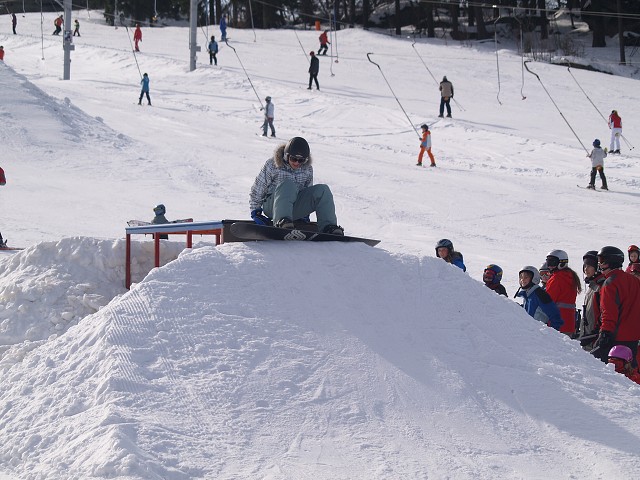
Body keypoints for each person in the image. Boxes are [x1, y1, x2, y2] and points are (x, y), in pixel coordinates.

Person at [249, 136, 343, 235]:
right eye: (294, 159)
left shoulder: (307, 169)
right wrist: (256, 211)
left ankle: (328, 227)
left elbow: (307, 192)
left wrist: (305, 214)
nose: (297, 163)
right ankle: (282, 221)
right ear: (286, 156)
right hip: (272, 205)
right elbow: (258, 189)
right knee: (288, 184)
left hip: (293, 206)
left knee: (323, 190)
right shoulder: (272, 165)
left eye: (301, 160)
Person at [591, 246, 640, 366]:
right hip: (634, 337)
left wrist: (605, 333)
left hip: (616, 337)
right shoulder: (634, 280)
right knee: (630, 371)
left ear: (611, 261)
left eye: (602, 260)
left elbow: (608, 311)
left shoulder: (610, 283)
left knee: (610, 372)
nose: (599, 264)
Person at [544, 249, 582, 336]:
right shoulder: (570, 276)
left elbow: (547, 301)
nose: (549, 266)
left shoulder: (557, 279)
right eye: (548, 262)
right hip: (569, 324)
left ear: (561, 262)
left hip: (556, 323)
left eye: (552, 262)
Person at [514, 266, 563, 331]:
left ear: (534, 278)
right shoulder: (528, 294)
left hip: (538, 334)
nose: (522, 280)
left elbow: (555, 315)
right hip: (529, 332)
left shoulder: (540, 294)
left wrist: (551, 334)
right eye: (521, 278)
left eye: (526, 277)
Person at [579, 251, 605, 351]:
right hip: (588, 339)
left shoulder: (601, 287)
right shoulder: (592, 287)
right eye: (584, 266)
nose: (586, 269)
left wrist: (595, 334)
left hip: (595, 340)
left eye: (589, 266)